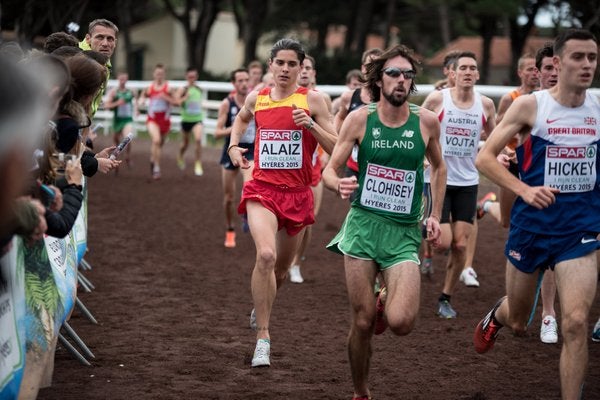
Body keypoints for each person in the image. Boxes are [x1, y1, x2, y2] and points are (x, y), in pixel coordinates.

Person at [473, 29, 600, 400]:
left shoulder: (598, 109)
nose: (587, 65)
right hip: (532, 227)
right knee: (518, 320)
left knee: (575, 322)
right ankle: (496, 315)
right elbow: (485, 157)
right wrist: (525, 189)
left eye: (592, 57)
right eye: (578, 57)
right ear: (557, 64)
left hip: (580, 230)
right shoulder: (532, 106)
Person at [322, 44, 446, 400]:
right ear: (378, 80)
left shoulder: (426, 122)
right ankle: (361, 391)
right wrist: (338, 183)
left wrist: (435, 214)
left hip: (405, 232)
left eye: (408, 74)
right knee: (362, 323)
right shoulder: (360, 119)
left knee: (401, 322)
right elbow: (330, 169)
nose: (401, 80)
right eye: (393, 73)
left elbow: (439, 167)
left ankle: (384, 301)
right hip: (362, 226)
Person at [227, 38, 337, 368]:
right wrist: (234, 146)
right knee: (265, 254)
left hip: (298, 194)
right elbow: (242, 119)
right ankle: (263, 336)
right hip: (262, 190)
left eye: (293, 64)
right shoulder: (257, 97)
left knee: (282, 270)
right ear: (271, 65)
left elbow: (336, 146)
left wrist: (312, 125)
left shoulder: (313, 100)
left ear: (302, 68)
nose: (286, 69)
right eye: (281, 63)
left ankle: (262, 301)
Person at [421, 51, 496, 318]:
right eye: (462, 67)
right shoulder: (438, 100)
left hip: (467, 182)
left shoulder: (485, 105)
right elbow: (420, 131)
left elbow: (494, 138)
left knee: (461, 246)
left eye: (472, 68)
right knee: (443, 242)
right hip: (439, 180)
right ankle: (421, 228)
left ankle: (445, 298)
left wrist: (503, 154)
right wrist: (422, 158)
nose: (467, 72)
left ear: (477, 74)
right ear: (453, 72)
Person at [288, 54, 332, 283]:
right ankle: (285, 257)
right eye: (301, 67)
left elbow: (331, 133)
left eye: (308, 68)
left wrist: (325, 158)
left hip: (314, 168)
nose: (304, 71)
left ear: (314, 73)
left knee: (308, 220)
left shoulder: (321, 98)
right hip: (289, 169)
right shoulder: (286, 95)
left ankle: (296, 262)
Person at [214, 68, 253, 248]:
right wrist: (238, 127)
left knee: (249, 186)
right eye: (240, 80)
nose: (244, 83)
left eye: (246, 80)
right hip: (230, 150)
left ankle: (246, 214)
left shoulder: (256, 102)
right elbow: (217, 132)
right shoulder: (227, 103)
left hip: (251, 150)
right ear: (234, 83)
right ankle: (230, 228)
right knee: (229, 197)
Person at [139, 63, 177, 180]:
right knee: (156, 140)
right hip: (152, 119)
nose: (159, 76)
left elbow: (176, 102)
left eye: (161, 74)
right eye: (157, 74)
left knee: (159, 144)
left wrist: (166, 98)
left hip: (164, 120)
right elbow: (141, 97)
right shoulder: (149, 88)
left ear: (164, 74)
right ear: (154, 74)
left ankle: (153, 158)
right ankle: (156, 168)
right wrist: (141, 101)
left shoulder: (168, 88)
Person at [78, 19, 119, 117]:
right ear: (88, 39)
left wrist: (87, 127)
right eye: (99, 37)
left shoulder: (105, 62)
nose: (105, 43)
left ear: (115, 43)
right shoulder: (77, 59)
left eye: (110, 39)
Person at [175, 67, 204, 176]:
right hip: (186, 120)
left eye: (194, 76)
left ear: (197, 77)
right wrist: (185, 98)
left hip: (197, 119)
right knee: (185, 144)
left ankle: (198, 163)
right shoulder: (183, 89)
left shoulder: (199, 89)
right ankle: (180, 155)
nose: (192, 79)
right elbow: (176, 102)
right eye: (190, 77)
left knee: (198, 139)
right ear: (186, 77)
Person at [104, 71, 137, 168]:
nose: (123, 81)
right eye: (121, 79)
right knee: (116, 142)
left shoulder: (131, 91)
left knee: (128, 137)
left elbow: (136, 102)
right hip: (117, 121)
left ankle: (127, 156)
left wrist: (137, 109)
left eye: (124, 79)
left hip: (127, 120)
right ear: (118, 79)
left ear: (127, 79)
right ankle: (115, 161)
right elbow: (107, 106)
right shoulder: (114, 92)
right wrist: (117, 103)